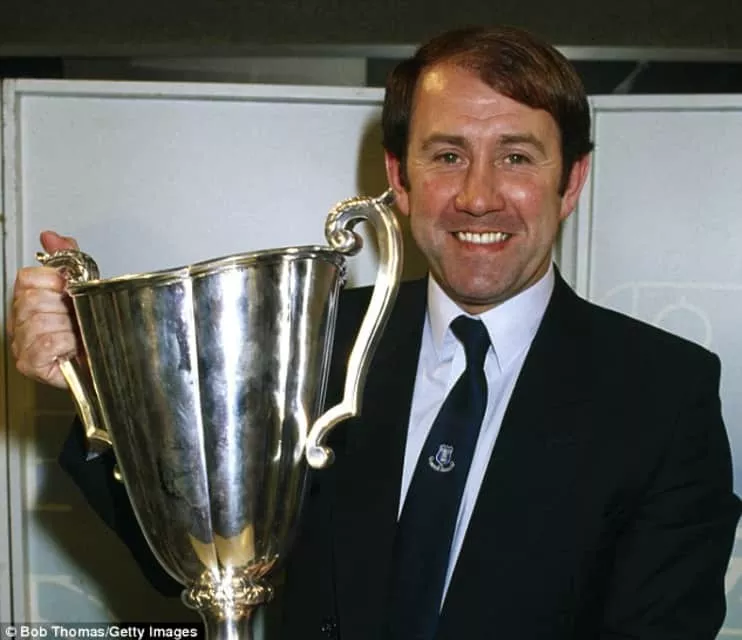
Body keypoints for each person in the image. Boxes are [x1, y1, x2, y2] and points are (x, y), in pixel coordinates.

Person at [9, 25, 741, 640]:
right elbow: (198, 561)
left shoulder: (663, 394)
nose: (478, 196)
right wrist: (100, 383)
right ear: (400, 178)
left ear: (570, 181)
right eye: (447, 155)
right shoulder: (310, 342)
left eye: (516, 156)